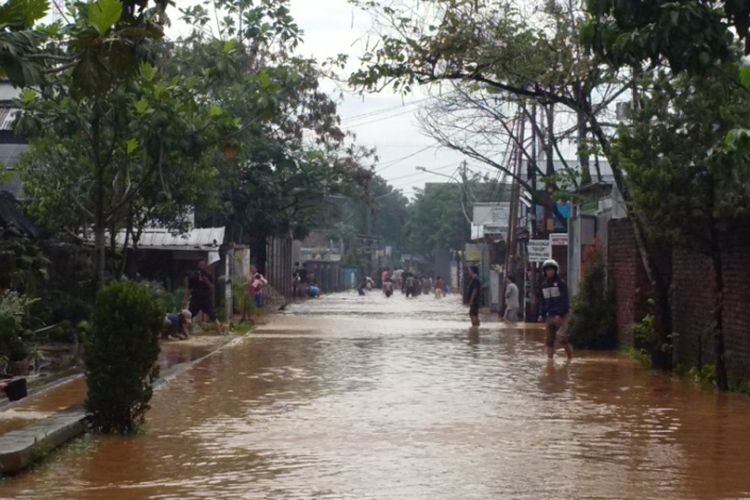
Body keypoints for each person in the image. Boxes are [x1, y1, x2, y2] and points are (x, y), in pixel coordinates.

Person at [537, 259, 572, 360]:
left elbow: (564, 300)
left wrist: (559, 314)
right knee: (549, 340)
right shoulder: (543, 286)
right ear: (544, 271)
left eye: (552, 270)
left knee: (561, 338)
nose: (549, 272)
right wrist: (541, 314)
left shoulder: (561, 284)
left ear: (556, 270)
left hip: (563, 315)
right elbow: (542, 302)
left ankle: (570, 359)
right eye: (547, 270)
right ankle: (550, 362)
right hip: (550, 315)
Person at [185, 258, 217, 324]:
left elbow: (212, 287)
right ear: (198, 265)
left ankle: (220, 332)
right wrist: (185, 299)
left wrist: (206, 281)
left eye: (203, 264)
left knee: (213, 316)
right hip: (195, 299)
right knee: (189, 315)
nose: (202, 266)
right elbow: (189, 288)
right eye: (200, 264)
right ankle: (184, 330)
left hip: (205, 299)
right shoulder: (193, 275)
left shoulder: (208, 275)